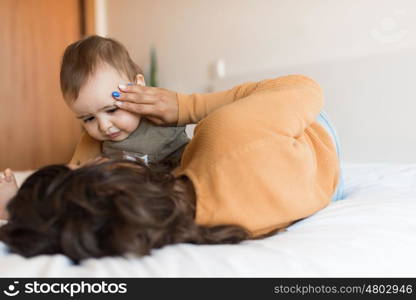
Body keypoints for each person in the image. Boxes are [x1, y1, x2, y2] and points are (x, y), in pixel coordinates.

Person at [0, 74, 344, 262]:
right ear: (112, 171)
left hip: (310, 185)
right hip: (317, 142)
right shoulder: (225, 133)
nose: (98, 146)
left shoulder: (183, 229)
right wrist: (187, 106)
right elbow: (304, 88)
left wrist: (18, 211)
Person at [61, 35, 189, 170]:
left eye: (111, 110)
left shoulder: (164, 122)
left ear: (138, 86)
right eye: (89, 118)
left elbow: (193, 161)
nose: (104, 127)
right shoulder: (94, 142)